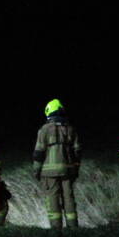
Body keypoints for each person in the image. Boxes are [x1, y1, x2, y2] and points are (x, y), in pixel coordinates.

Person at [32, 98, 81, 230]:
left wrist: (36, 171)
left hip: (49, 173)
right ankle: (73, 228)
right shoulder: (71, 129)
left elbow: (38, 153)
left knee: (52, 199)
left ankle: (56, 230)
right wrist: (76, 169)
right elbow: (77, 151)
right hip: (68, 170)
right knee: (68, 198)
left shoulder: (44, 130)